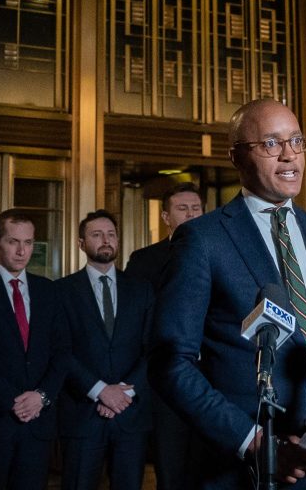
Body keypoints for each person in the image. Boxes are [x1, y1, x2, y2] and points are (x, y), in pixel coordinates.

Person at [151, 98, 306, 489]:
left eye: (296, 141)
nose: (289, 154)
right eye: (271, 143)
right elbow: (170, 364)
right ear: (236, 157)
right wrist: (253, 442)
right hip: (243, 468)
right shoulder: (202, 240)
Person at [0, 210, 71, 490]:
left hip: (38, 425)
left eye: (29, 243)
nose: (22, 251)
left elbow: (62, 351)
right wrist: (14, 401)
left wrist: (41, 397)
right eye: (13, 242)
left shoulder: (48, 291)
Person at [57, 211, 153, 490]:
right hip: (82, 414)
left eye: (111, 234)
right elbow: (60, 351)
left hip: (130, 414)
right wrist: (100, 390)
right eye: (96, 235)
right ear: (81, 243)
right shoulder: (60, 291)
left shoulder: (141, 290)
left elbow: (153, 349)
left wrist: (124, 393)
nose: (105, 240)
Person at [122, 182, 202, 490]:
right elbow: (134, 322)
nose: (191, 214)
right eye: (182, 209)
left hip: (213, 376)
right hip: (166, 377)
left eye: (196, 208)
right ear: (166, 217)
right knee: (170, 467)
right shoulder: (144, 261)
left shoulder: (223, 252)